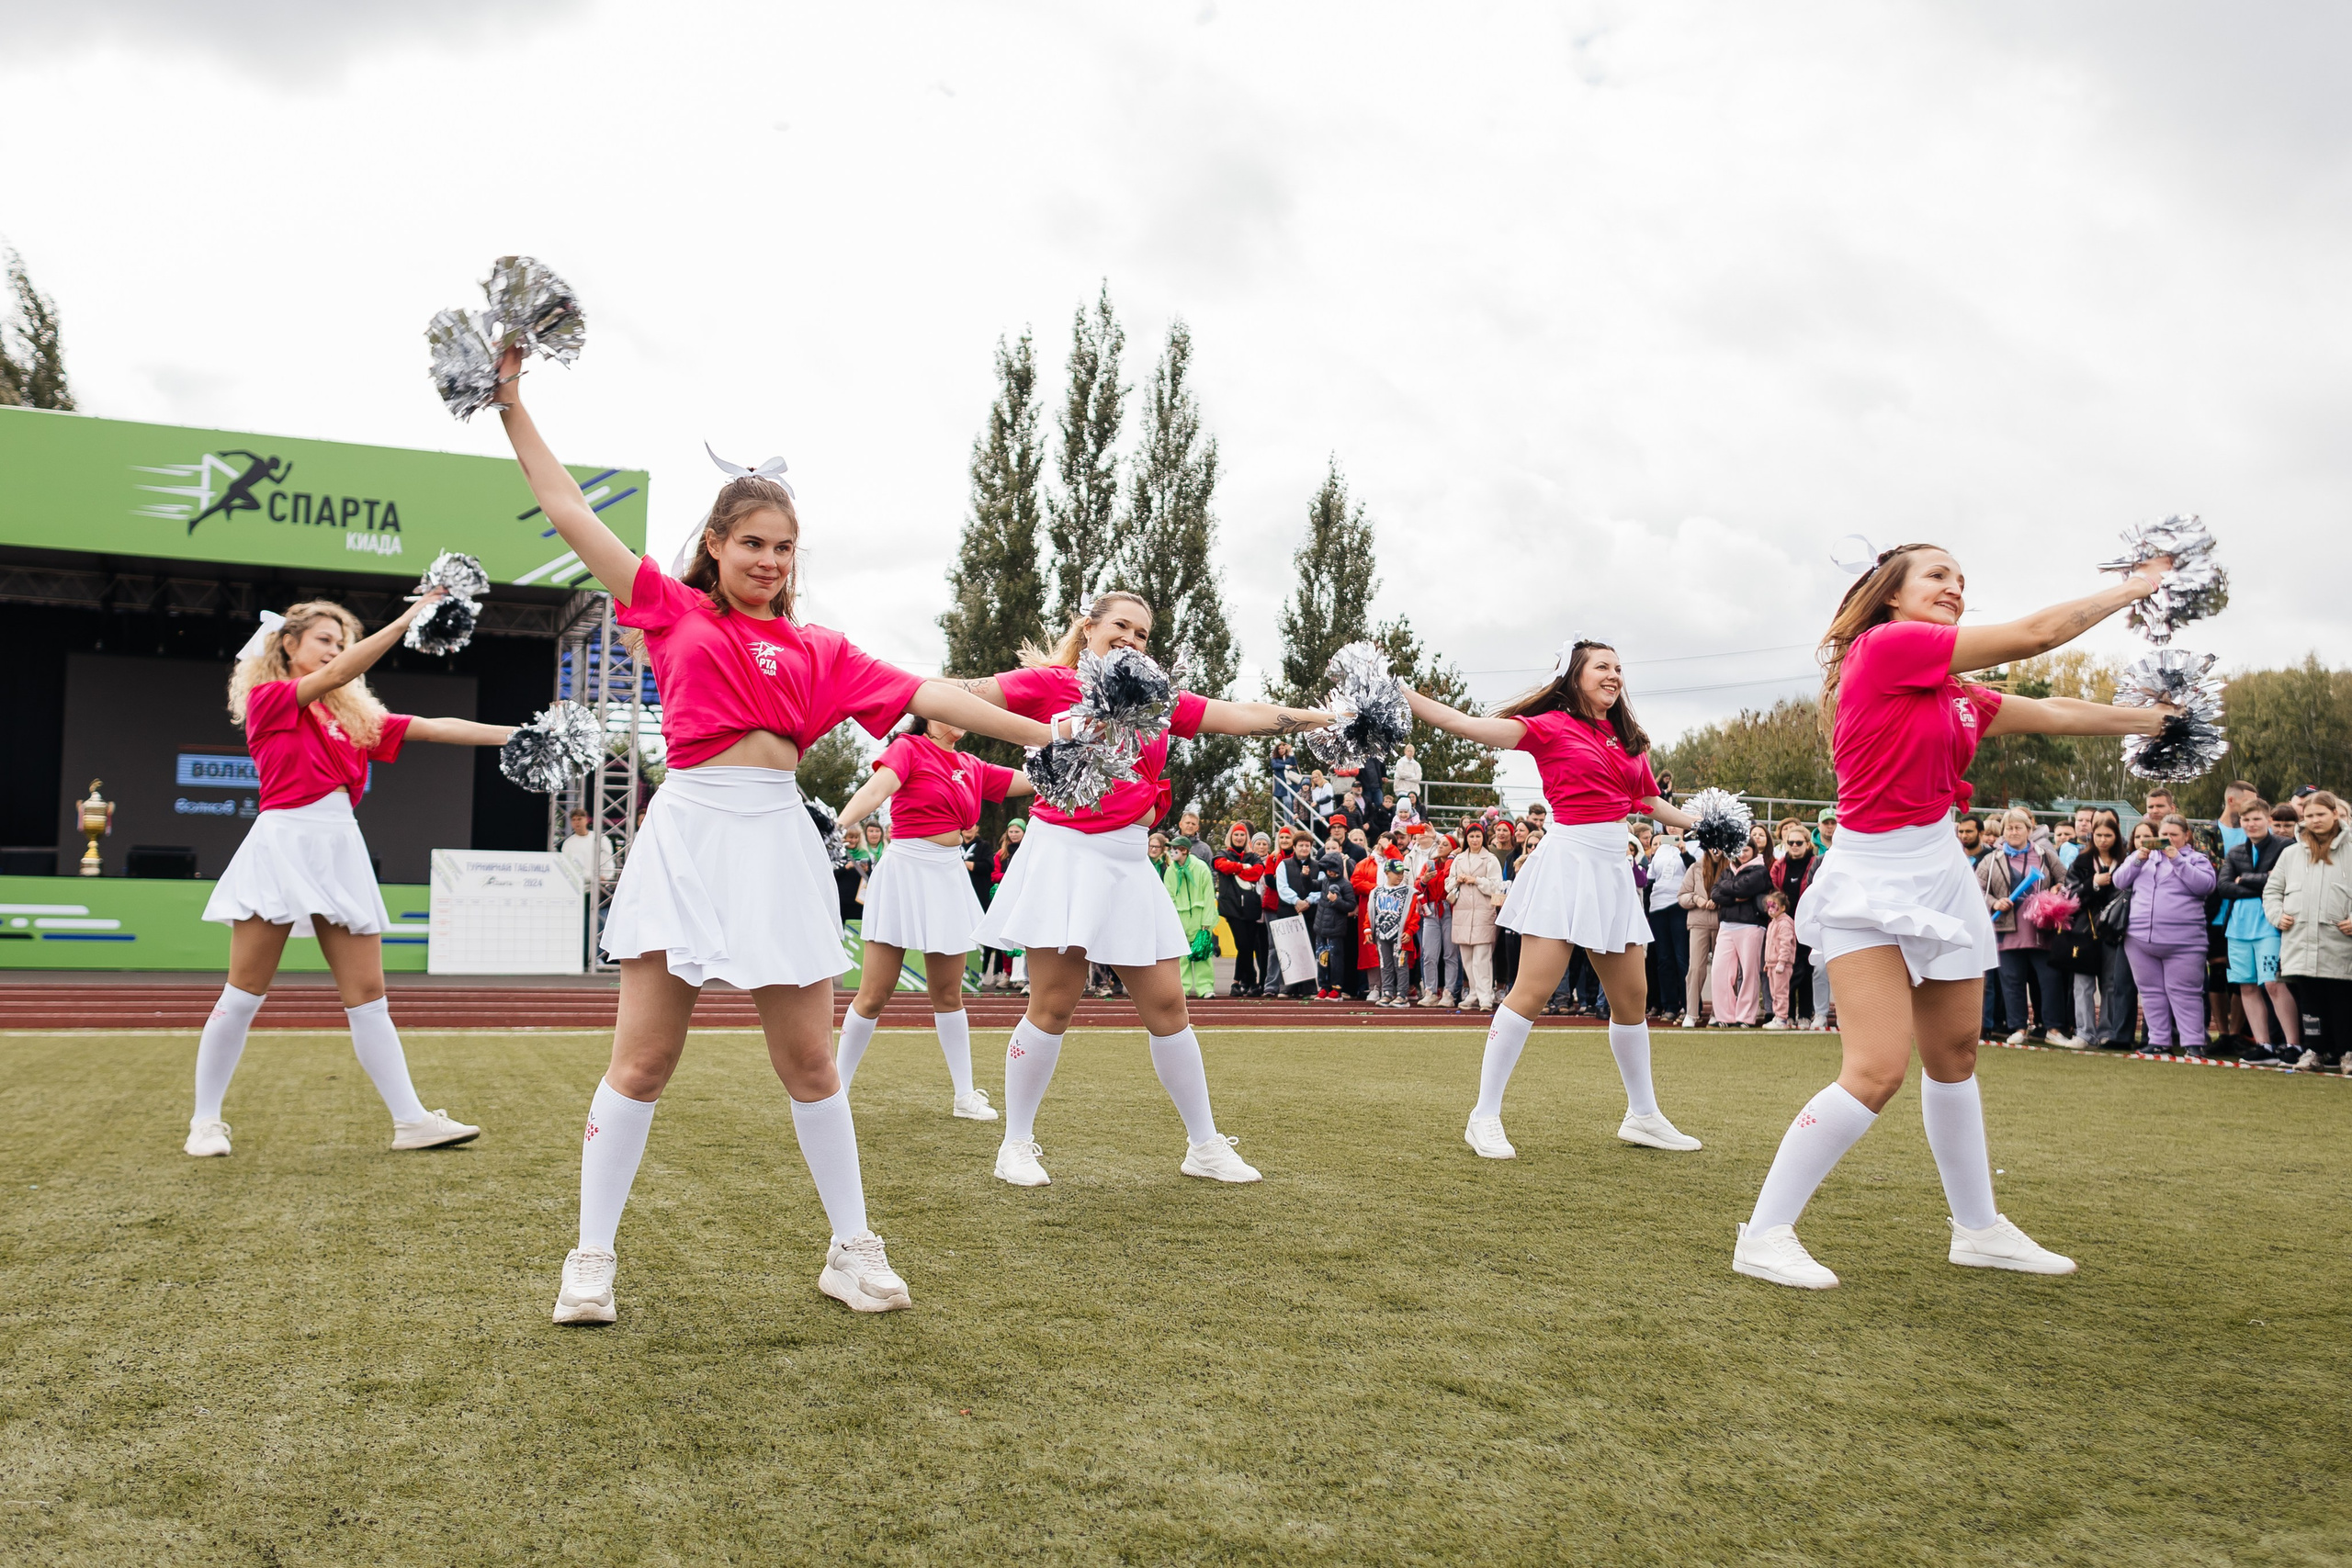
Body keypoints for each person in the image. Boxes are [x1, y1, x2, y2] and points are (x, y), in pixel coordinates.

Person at [494, 358, 1057, 1324]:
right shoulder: (668, 611)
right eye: (751, 542)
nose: (768, 559)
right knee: (642, 1062)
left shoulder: (821, 650)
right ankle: (590, 1259)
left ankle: (852, 1247)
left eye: (783, 546)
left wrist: (1055, 741)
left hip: (774, 840)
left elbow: (935, 697)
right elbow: (564, 506)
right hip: (689, 835)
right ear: (712, 545)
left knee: (809, 1063)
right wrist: (511, 404)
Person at [1736, 538, 2180, 1290]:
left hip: (1941, 874)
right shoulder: (1883, 649)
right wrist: (2135, 587)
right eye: (1937, 576)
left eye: (1962, 581)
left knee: (1957, 1057)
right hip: (1871, 881)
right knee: (1876, 1070)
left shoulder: (1957, 695)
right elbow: (2040, 635)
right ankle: (1765, 1231)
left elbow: (2055, 710)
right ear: (1891, 595)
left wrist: (2154, 721)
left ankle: (1978, 1229)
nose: (1955, 589)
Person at [960, 591, 1331, 1188]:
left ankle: (1204, 1144)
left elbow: (1240, 715)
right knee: (1053, 1004)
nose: (1132, 639)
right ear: (1090, 628)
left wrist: (1319, 718)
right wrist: (888, 684)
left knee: (1168, 1005)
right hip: (1064, 855)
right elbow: (963, 694)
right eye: (1121, 626)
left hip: (1130, 860)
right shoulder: (1049, 683)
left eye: (1143, 633)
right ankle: (1016, 1143)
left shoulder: (1157, 700)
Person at [187, 595, 512, 1163]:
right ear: (288, 645)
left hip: (340, 846)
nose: (335, 652)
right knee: (242, 994)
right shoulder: (269, 699)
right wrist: (411, 618)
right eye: (324, 640)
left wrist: (520, 735)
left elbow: (434, 728)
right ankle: (205, 1121)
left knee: (368, 998)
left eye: (341, 641)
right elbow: (343, 672)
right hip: (283, 842)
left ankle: (410, 1120)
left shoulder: (352, 717)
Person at [1408, 637, 1704, 1157]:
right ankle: (1484, 1115)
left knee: (1631, 999)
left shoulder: (1628, 738)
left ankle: (1643, 1115)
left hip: (1613, 868)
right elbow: (1466, 726)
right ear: (1576, 675)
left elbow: (1649, 801)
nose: (1613, 675)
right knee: (1532, 991)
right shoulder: (1549, 726)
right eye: (1602, 667)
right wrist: (1401, 694)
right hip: (1568, 863)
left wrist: (1707, 824)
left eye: (1618, 667)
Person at [831, 715, 1031, 1121]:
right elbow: (875, 790)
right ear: (928, 716)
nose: (961, 714)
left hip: (947, 872)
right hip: (905, 868)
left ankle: (963, 1096)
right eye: (950, 707)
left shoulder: (973, 766)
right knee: (873, 994)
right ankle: (834, 1090)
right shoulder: (908, 748)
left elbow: (1030, 780)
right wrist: (838, 825)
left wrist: (1076, 749)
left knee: (948, 994)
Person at [2113, 813, 2217, 1055]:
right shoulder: (2141, 857)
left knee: (2186, 992)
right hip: (2139, 938)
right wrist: (2137, 858)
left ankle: (2193, 1043)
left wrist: (2178, 860)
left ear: (2186, 836)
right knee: (2150, 991)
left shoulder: (2197, 859)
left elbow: (2205, 886)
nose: (2168, 839)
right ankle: (2159, 1041)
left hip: (2184, 941)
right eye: (2164, 835)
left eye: (2174, 835)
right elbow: (2119, 881)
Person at [2264, 790, 2352, 1071]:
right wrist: (2277, 915)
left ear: (2335, 814)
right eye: (2310, 815)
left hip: (2341, 943)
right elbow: (2272, 891)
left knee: (2342, 1001)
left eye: (2321, 814)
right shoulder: (2291, 853)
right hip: (2300, 942)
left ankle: (2347, 1053)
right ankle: (2314, 1052)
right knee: (2310, 1002)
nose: (2315, 820)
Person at [1978, 807, 2075, 1045]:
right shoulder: (1991, 860)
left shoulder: (2044, 855)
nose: (2013, 832)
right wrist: (1993, 901)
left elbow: (2066, 879)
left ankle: (2053, 1029)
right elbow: (1977, 889)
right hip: (2005, 930)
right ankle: (2018, 1028)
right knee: (2012, 981)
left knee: (2050, 980)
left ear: (2029, 830)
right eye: (2009, 828)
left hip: (2040, 930)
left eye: (2018, 827)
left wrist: (2057, 890)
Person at [2219, 800, 2301, 1066]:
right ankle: (2264, 1044)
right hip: (2238, 928)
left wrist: (2245, 879)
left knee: (2273, 984)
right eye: (2246, 820)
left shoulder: (2286, 847)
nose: (2251, 824)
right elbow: (2224, 887)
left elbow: (2281, 881)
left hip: (2269, 926)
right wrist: (2257, 881)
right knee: (2246, 985)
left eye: (2256, 819)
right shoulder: (2234, 852)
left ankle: (2293, 1046)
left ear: (2267, 819)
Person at [1710, 845, 1771, 1027]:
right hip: (1727, 924)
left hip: (1751, 924)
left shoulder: (1760, 870)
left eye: (1746, 850)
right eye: (1739, 851)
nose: (1742, 854)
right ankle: (1725, 1016)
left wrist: (1728, 888)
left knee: (1749, 972)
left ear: (1753, 851)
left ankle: (1745, 1017)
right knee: (1719, 971)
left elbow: (1742, 889)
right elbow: (1715, 894)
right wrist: (1734, 895)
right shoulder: (1728, 868)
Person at [1770, 817, 1823, 1025]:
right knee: (1788, 971)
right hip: (1785, 926)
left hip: (1808, 923)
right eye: (1790, 842)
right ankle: (1788, 1014)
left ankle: (1805, 1015)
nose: (1794, 846)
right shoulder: (1779, 865)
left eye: (1798, 842)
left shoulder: (1816, 863)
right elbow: (1773, 892)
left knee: (1806, 969)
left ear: (1807, 844)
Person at [1446, 822, 1504, 1010]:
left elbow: (1497, 886)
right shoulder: (1459, 859)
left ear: (1483, 838)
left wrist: (1476, 880)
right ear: (1466, 839)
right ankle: (1473, 992)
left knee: (1482, 956)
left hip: (1482, 911)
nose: (1474, 840)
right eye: (1471, 836)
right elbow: (1448, 885)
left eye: (1478, 836)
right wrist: (1457, 880)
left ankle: (1485, 995)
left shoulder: (1490, 859)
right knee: (1468, 957)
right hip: (1462, 912)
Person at [1214, 821, 1270, 997]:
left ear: (1247, 838)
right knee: (1243, 945)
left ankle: (1239, 983)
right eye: (1236, 834)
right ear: (1231, 836)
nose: (1239, 837)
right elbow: (1221, 865)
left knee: (1246, 947)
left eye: (1242, 835)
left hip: (1251, 908)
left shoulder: (1253, 857)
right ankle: (1249, 980)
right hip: (1232, 908)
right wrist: (1242, 867)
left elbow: (1256, 873)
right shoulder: (1223, 853)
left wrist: (1237, 870)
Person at [1163, 832, 1218, 999]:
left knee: (1202, 954)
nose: (1172, 853)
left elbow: (1209, 895)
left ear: (1185, 851)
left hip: (1200, 917)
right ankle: (1183, 987)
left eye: (1175, 850)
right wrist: (1172, 921)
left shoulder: (1201, 868)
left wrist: (1207, 921)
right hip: (1181, 918)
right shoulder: (1171, 871)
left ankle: (1205, 987)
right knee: (1182, 956)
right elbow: (1169, 897)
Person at [1645, 828, 1692, 1023]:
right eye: (1669, 825)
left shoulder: (1693, 845)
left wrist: (1684, 851)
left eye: (1676, 824)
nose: (1672, 828)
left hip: (1679, 905)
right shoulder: (1661, 849)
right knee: (1664, 959)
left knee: (1682, 957)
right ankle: (1670, 1005)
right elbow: (1651, 880)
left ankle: (1688, 1004)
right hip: (1658, 907)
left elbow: (1696, 870)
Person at [1679, 847, 1727, 1029]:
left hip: (1724, 923)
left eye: (1720, 846)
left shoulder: (1730, 866)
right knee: (1695, 969)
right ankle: (1691, 1013)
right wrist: (1696, 900)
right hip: (1698, 922)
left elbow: (1736, 892)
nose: (1717, 850)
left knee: (1722, 969)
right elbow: (1682, 896)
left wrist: (1721, 900)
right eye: (1712, 846)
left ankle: (1718, 1012)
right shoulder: (1695, 868)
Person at [1307, 848, 1361, 999]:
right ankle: (1324, 987)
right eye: (1327, 869)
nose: (1329, 872)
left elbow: (1351, 905)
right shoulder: (1324, 881)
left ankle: (1336, 988)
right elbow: (1311, 886)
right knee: (1322, 959)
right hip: (1321, 928)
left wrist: (1336, 901)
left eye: (1332, 869)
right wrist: (1304, 876)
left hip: (1336, 929)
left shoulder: (1345, 885)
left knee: (1336, 959)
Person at [1416, 831, 1461, 1007]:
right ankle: (1430, 991)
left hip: (1448, 908)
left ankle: (1449, 992)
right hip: (1431, 910)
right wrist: (1424, 881)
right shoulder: (1430, 864)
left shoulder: (1454, 863)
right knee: (1429, 954)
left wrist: (1450, 859)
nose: (1440, 846)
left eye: (1445, 844)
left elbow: (1447, 879)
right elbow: (1417, 885)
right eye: (1439, 843)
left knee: (1450, 953)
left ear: (1453, 849)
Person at [1371, 857, 1416, 1006]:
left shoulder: (1409, 892)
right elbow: (1371, 912)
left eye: (1402, 873)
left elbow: (1414, 914)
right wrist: (1367, 929)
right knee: (1385, 964)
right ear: (1387, 872)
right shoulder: (1377, 892)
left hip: (1400, 936)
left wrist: (1409, 931)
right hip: (1381, 934)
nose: (1400, 876)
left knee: (1401, 965)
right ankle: (1387, 992)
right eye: (1397, 873)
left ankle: (1402, 995)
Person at [1808, 811, 1838, 1030]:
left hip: (1849, 922)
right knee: (1819, 969)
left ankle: (1848, 1018)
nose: (1830, 827)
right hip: (1824, 922)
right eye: (1826, 823)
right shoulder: (1817, 860)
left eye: (1834, 823)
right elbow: (1810, 891)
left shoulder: (1852, 857)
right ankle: (1820, 1014)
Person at [1762, 891, 1799, 1030]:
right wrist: (1768, 963)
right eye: (1769, 907)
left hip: (1781, 965)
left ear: (1783, 908)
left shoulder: (1784, 924)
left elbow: (1785, 944)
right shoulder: (1773, 923)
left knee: (1780, 992)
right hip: (1772, 964)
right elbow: (1770, 944)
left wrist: (1782, 962)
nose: (1770, 910)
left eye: (1774, 906)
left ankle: (1782, 1018)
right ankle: (1777, 1016)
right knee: (1774, 992)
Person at [1390, 742, 1424, 812]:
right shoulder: (1400, 762)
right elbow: (1401, 774)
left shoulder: (1416, 764)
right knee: (1402, 809)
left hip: (1413, 790)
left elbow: (1418, 778)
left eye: (1412, 751)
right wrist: (1412, 775)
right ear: (1405, 751)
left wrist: (1405, 778)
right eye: (1408, 751)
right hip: (1402, 789)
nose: (1410, 753)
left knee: (1416, 809)